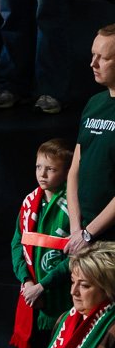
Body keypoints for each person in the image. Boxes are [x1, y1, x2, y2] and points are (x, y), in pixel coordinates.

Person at [11, 138, 75, 348]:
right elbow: (17, 244)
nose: (42, 174)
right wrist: (27, 282)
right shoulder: (29, 202)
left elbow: (77, 256)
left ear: (67, 172)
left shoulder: (74, 206)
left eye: (51, 169)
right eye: (39, 167)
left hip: (60, 299)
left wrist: (43, 286)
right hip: (31, 294)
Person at [69, 27, 115, 258]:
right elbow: (74, 170)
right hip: (83, 236)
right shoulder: (94, 103)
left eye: (103, 58)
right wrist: (76, 229)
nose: (92, 64)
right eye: (92, 55)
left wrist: (89, 233)